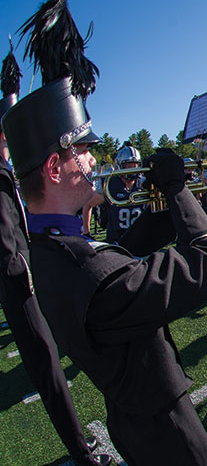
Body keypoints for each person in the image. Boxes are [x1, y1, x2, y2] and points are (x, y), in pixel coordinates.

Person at [3, 0, 207, 464]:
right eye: (82, 150)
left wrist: (162, 206)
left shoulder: (46, 242)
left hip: (132, 416)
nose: (93, 158)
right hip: (165, 431)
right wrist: (181, 192)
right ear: (53, 168)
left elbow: (115, 254)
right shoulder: (89, 272)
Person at [0, 40, 108, 466]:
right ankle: (80, 453)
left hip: (20, 265)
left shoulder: (8, 166)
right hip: (14, 273)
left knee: (48, 357)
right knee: (46, 362)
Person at [82, 143, 144, 242]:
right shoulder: (110, 185)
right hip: (116, 242)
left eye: (135, 164)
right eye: (128, 165)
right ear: (120, 165)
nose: (133, 168)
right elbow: (88, 204)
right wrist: (86, 232)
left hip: (140, 241)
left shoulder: (144, 184)